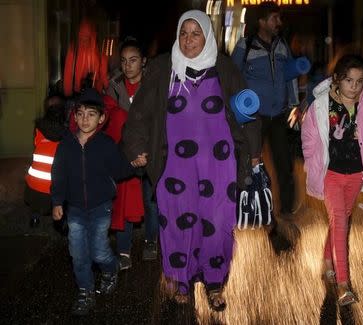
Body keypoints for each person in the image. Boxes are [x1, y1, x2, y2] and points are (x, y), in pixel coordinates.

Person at [121, 10, 261, 311]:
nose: (188, 39)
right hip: (175, 164)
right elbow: (140, 114)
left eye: (195, 33)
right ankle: (181, 279)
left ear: (207, 36)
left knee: (217, 222)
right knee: (177, 220)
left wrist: (254, 152)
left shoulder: (224, 68)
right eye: (183, 33)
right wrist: (136, 147)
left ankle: (214, 281)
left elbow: (246, 114)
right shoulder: (162, 68)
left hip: (219, 164)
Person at [301, 54, 363, 306]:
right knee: (340, 221)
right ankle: (343, 284)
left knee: (341, 218)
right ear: (338, 79)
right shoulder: (321, 105)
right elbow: (308, 137)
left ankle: (328, 259)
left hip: (356, 174)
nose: (354, 86)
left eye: (359, 81)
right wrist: (312, 161)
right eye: (349, 80)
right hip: (331, 174)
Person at [51, 88, 147, 316]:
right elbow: (59, 175)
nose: (85, 118)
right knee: (78, 253)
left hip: (100, 208)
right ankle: (85, 291)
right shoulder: (66, 145)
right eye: (81, 113)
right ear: (74, 116)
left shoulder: (106, 144)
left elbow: (119, 168)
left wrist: (136, 164)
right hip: (74, 209)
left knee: (98, 251)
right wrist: (57, 201)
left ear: (101, 118)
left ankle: (110, 268)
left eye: (91, 114)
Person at [231, 1, 300, 217]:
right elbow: (232, 79)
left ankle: (286, 209)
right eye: (274, 18)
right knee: (248, 162)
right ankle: (241, 207)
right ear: (261, 21)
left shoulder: (282, 45)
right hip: (254, 117)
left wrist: (294, 104)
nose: (279, 22)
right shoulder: (245, 46)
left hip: (279, 114)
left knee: (284, 163)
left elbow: (290, 77)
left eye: (279, 18)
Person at [106, 37, 159, 268]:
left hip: (149, 151)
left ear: (143, 61)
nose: (128, 66)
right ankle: (124, 250)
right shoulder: (114, 85)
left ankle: (151, 240)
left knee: (150, 200)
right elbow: (107, 117)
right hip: (123, 153)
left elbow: (160, 120)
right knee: (123, 199)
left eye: (133, 60)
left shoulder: (153, 84)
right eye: (124, 61)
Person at [24, 94, 67, 228]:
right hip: (54, 193)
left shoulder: (38, 129)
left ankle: (35, 218)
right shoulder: (67, 134)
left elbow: (37, 146)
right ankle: (60, 219)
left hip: (33, 189)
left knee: (32, 174)